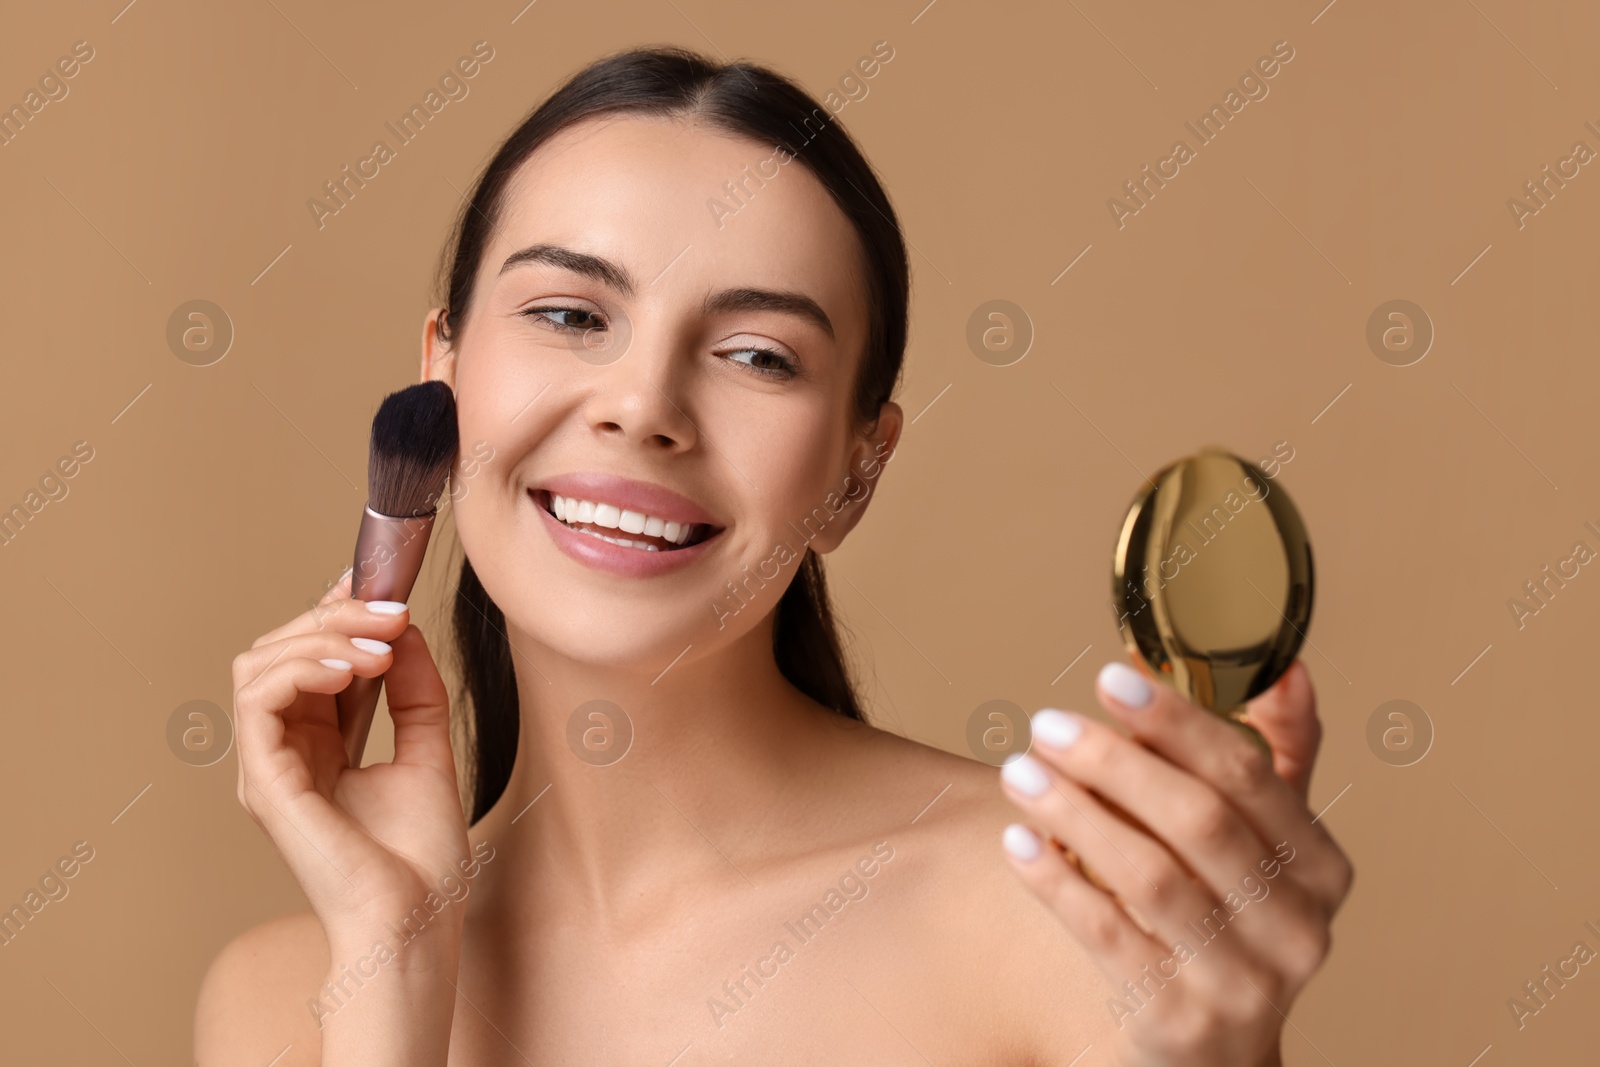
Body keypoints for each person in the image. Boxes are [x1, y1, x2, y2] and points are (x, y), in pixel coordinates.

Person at [196, 45, 1351, 1066]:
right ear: (439, 381)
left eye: (756, 354)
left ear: (857, 470)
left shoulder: (1067, 912)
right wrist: (392, 959)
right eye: (568, 316)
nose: (643, 404)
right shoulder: (272, 999)